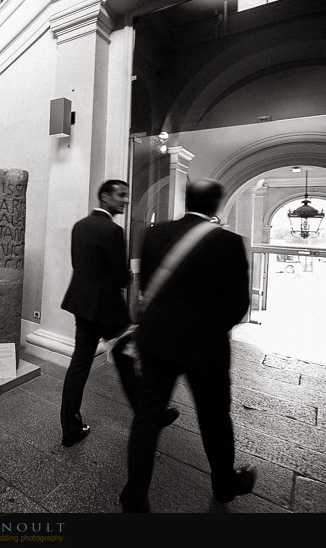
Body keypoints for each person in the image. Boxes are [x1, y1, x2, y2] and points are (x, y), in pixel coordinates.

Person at [120, 179, 255, 513]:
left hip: (157, 341)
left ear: (186, 199)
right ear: (217, 205)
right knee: (214, 418)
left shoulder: (154, 234)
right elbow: (238, 304)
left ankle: (134, 497)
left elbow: (148, 285)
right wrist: (207, 329)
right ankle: (224, 483)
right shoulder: (229, 242)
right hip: (205, 348)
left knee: (147, 420)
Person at [59, 180, 177, 447]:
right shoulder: (112, 230)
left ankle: (70, 427)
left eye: (127, 195)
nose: (125, 200)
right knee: (127, 360)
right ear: (104, 196)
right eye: (121, 195)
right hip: (107, 310)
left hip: (81, 304)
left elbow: (79, 265)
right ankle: (150, 413)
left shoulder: (80, 225)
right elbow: (120, 277)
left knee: (80, 365)